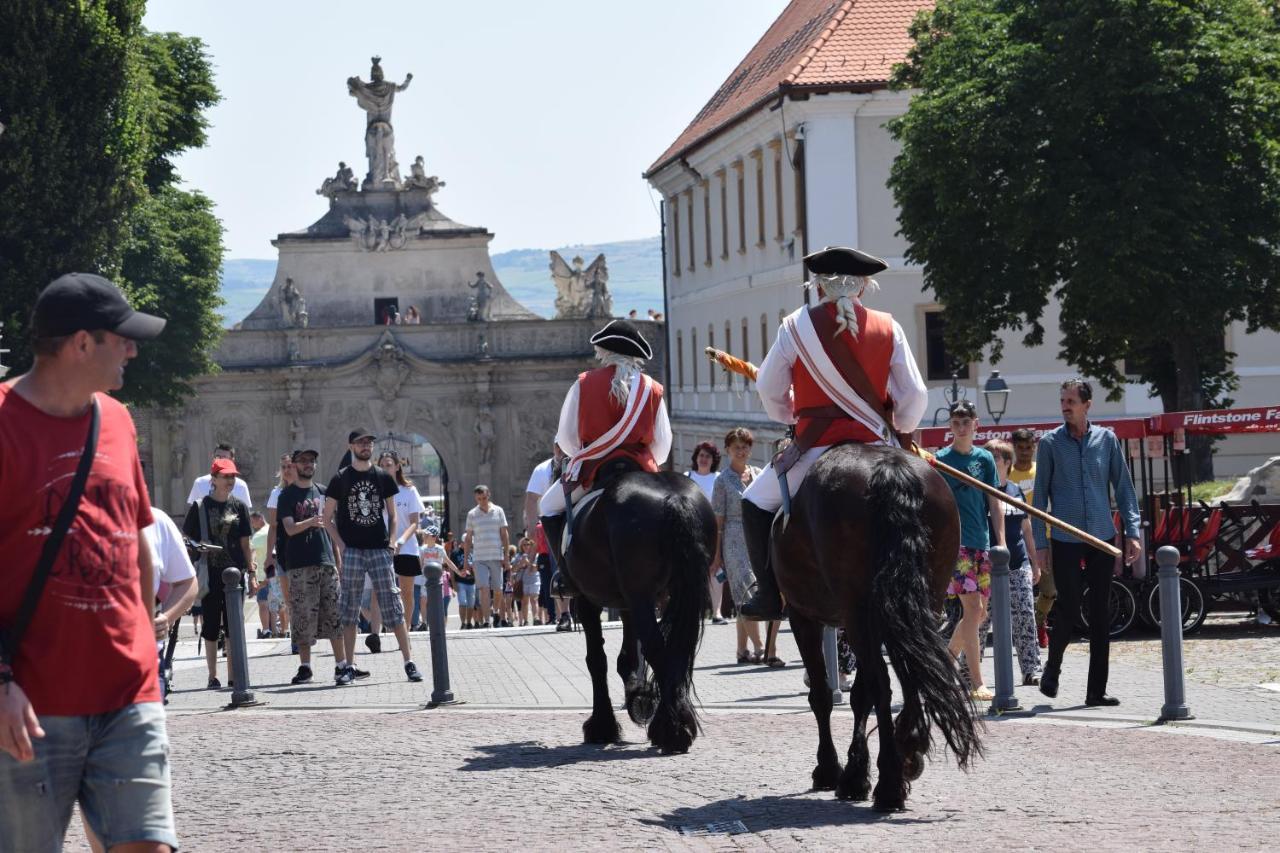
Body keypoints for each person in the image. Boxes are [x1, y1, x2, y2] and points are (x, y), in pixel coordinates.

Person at [0, 272, 178, 851]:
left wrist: (145, 641)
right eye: (120, 337)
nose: (132, 348)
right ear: (81, 344)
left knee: (146, 845)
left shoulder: (119, 421)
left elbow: (137, 538)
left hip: (128, 692)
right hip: (30, 700)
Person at [739, 247, 928, 619]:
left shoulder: (794, 327)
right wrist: (901, 427)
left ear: (818, 287)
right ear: (862, 288)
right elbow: (916, 395)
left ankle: (768, 593)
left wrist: (790, 414)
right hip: (877, 442)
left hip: (814, 447)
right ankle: (926, 592)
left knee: (753, 502)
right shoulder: (890, 326)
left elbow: (768, 386)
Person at [1033, 379, 1142, 706]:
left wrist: (1132, 532)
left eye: (1071, 401)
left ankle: (1096, 691)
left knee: (1099, 611)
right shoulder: (1050, 443)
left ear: (1087, 404)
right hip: (1065, 536)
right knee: (1066, 606)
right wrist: (1041, 544)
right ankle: (1052, 669)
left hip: (1101, 535)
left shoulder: (1106, 440)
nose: (1065, 406)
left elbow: (1123, 488)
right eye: (1062, 400)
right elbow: (1039, 497)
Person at [537, 319, 672, 565]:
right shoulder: (652, 390)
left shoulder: (584, 383)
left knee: (547, 506)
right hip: (641, 469)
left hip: (594, 470)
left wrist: (588, 452)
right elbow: (662, 448)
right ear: (636, 356)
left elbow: (567, 440)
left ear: (603, 351)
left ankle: (566, 576)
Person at [324, 430, 421, 682]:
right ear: (351, 446)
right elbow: (326, 518)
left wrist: (391, 542)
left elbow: (393, 514)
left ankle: (409, 661)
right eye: (360, 442)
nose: (365, 446)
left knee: (392, 604)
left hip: (379, 549)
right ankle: (348, 665)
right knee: (349, 607)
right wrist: (342, 546)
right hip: (353, 550)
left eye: (368, 442)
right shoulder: (340, 479)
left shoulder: (382, 477)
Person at [937, 400, 1006, 701]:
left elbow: (994, 501)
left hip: (981, 542)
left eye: (966, 421)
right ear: (950, 426)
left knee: (978, 614)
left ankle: (943, 665)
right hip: (957, 543)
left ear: (976, 424)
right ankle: (976, 682)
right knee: (972, 610)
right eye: (956, 421)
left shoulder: (985, 460)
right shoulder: (940, 459)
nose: (961, 426)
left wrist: (999, 540)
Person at [278, 449, 350, 686]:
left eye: (311, 461)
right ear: (294, 464)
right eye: (303, 461)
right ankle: (305, 667)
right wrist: (311, 521)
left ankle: (341, 666)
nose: (308, 464)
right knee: (303, 616)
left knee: (334, 614)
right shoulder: (286, 495)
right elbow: (289, 528)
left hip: (326, 560)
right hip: (299, 563)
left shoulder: (322, 491)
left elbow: (331, 527)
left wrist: (337, 557)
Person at [183, 457, 255, 689]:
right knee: (211, 626)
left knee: (234, 626)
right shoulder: (200, 506)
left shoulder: (240, 507)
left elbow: (246, 545)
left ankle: (234, 675)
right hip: (210, 573)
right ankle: (212, 675)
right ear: (213, 479)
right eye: (225, 476)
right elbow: (187, 540)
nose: (230, 480)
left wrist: (252, 572)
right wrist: (197, 548)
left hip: (235, 573)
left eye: (233, 476)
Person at [710, 428, 774, 664]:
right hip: (734, 539)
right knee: (747, 592)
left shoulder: (758, 474)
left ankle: (741, 650)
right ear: (728, 450)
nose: (742, 451)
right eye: (737, 447)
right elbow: (718, 521)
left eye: (745, 446)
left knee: (744, 596)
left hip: (757, 538)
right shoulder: (722, 480)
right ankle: (759, 647)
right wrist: (716, 555)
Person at [985, 439, 1044, 685]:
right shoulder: (980, 490)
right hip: (987, 566)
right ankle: (968, 672)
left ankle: (1031, 669)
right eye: (988, 455)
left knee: (1025, 615)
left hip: (1018, 563)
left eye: (996, 456)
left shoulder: (1015, 490)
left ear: (1007, 462)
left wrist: (1035, 561)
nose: (991, 459)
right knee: (979, 619)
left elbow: (1026, 528)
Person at [146, 506, 199, 701]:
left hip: (144, 661)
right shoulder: (58, 515)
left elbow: (187, 581)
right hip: (74, 661)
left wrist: (166, 617)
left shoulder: (155, 520)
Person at [1011, 428, 1052, 648]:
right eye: (1021, 447)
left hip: (1044, 537)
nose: (1025, 451)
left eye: (1029, 447)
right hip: (1016, 539)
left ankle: (1038, 622)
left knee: (1050, 591)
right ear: (1014, 448)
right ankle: (1026, 632)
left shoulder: (1041, 471)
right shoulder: (1008, 475)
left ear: (1034, 447)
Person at [379, 451, 425, 640]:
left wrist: (400, 541)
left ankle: (405, 630)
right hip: (382, 547)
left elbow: (415, 522)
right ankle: (388, 627)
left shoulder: (409, 490)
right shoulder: (375, 491)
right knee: (384, 591)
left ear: (397, 466)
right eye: (381, 465)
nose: (385, 468)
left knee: (407, 592)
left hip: (406, 547)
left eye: (388, 464)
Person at [686, 441, 726, 625]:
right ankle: (693, 611)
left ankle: (716, 612)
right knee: (692, 572)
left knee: (716, 571)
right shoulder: (687, 477)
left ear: (713, 460)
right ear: (696, 457)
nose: (703, 459)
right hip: (691, 532)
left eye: (707, 456)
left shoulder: (718, 479)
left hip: (714, 532)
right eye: (701, 455)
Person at [523, 447, 565, 624]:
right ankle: (564, 614)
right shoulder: (543, 469)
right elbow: (531, 499)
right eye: (558, 447)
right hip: (554, 522)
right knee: (558, 568)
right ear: (554, 448)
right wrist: (531, 528)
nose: (562, 450)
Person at [464, 485, 511, 629]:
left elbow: (504, 534)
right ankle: (486, 621)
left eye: (484, 498)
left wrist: (507, 556)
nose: (482, 502)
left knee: (498, 589)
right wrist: (466, 560)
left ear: (488, 495)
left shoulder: (499, 511)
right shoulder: (472, 514)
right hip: (479, 557)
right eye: (479, 499)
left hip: (496, 555)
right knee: (483, 588)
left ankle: (495, 611)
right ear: (475, 498)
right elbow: (468, 539)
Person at [186, 441, 253, 508]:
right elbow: (193, 510)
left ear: (232, 460)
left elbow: (246, 513)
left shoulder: (241, 486)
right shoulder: (199, 483)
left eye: (224, 457)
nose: (220, 460)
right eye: (217, 457)